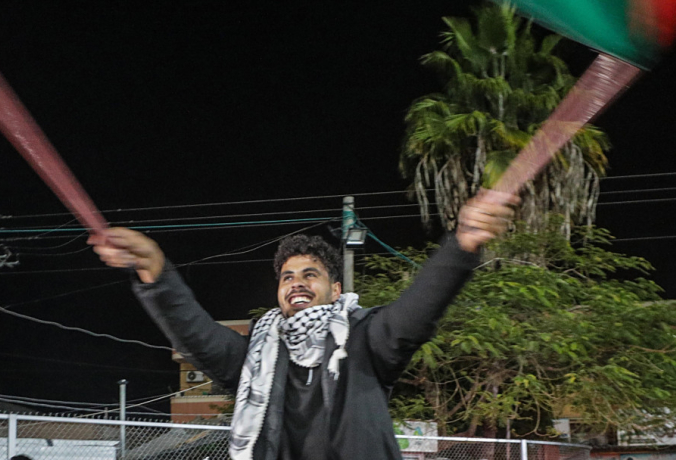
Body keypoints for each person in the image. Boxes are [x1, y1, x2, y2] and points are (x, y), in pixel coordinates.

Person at [93, 189, 516, 460]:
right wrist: (155, 271)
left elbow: (418, 310)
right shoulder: (255, 357)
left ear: (335, 289)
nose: (296, 282)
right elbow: (195, 333)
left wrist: (461, 246)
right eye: (287, 277)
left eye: (309, 274)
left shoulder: (367, 339)